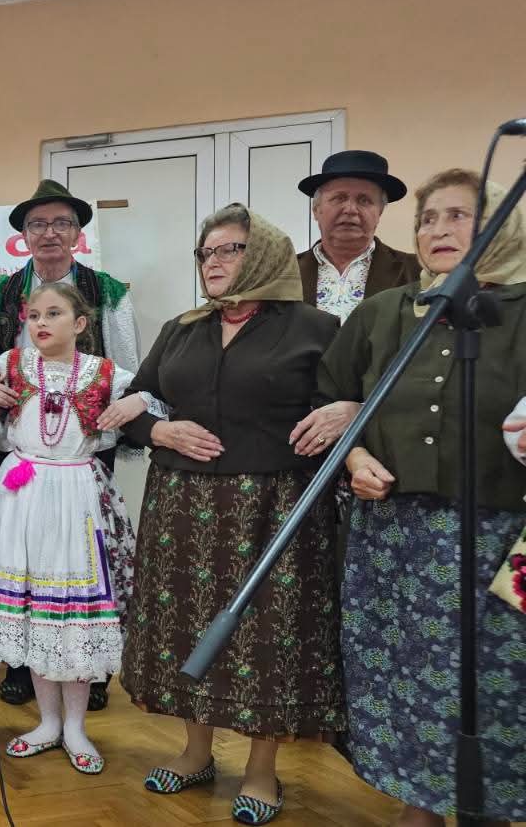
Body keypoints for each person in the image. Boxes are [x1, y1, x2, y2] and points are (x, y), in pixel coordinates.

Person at [116, 204, 353, 825]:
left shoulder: (315, 328)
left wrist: (346, 412)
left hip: (274, 506)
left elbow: (341, 408)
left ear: (265, 255)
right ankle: (195, 752)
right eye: (207, 252)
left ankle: (261, 770)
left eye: (231, 249)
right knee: (186, 625)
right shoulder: (182, 328)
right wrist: (160, 431)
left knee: (268, 634)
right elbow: (135, 404)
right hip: (181, 504)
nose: (214, 262)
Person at [319, 169, 526, 826]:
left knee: (495, 681)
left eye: (458, 215)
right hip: (395, 537)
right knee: (405, 677)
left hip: (498, 538)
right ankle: (421, 802)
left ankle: (489, 807)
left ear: (499, 225)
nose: (438, 229)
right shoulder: (384, 311)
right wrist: (355, 457)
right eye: (428, 218)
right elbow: (334, 400)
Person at [0, 179, 142, 710]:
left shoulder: (105, 290)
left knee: (81, 558)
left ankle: (88, 669)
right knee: (23, 552)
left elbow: (127, 362)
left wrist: (122, 416)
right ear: (23, 235)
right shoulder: (1, 293)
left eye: (61, 223)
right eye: (38, 224)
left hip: (83, 443)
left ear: (77, 233)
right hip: (23, 443)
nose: (49, 233)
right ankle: (24, 665)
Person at [0, 282, 138, 774]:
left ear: (80, 323)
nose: (40, 323)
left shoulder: (103, 373)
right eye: (33, 315)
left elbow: (156, 396)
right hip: (23, 494)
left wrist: (139, 403)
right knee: (31, 607)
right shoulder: (12, 364)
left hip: (76, 495)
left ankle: (76, 727)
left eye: (53, 313)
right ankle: (48, 722)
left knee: (74, 611)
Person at [295, 150, 421, 322]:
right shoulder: (284, 274)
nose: (350, 209)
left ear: (379, 212)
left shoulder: (415, 272)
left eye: (364, 200)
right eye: (339, 198)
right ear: (316, 209)